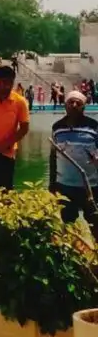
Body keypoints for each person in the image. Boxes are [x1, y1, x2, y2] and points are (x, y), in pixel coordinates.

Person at [50, 90, 98, 241]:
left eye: (79, 103)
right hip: (65, 186)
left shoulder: (94, 127)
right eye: (71, 102)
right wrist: (52, 184)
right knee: (68, 226)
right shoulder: (57, 127)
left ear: (84, 107)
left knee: (95, 224)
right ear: (65, 105)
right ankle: (73, 259)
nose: (74, 105)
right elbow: (53, 157)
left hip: (91, 186)